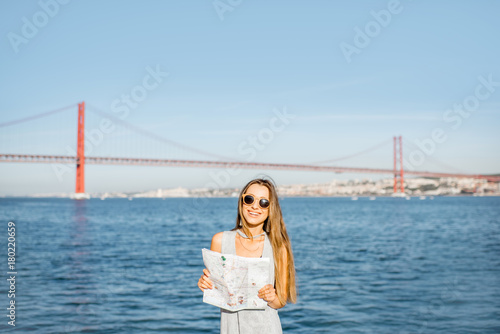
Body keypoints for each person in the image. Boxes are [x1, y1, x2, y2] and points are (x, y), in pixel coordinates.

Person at [198, 178, 297, 333]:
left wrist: (272, 297)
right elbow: (218, 294)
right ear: (241, 201)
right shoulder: (219, 241)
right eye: (249, 199)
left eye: (263, 202)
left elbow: (280, 302)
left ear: (271, 208)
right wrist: (206, 285)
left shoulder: (279, 247)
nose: (254, 206)